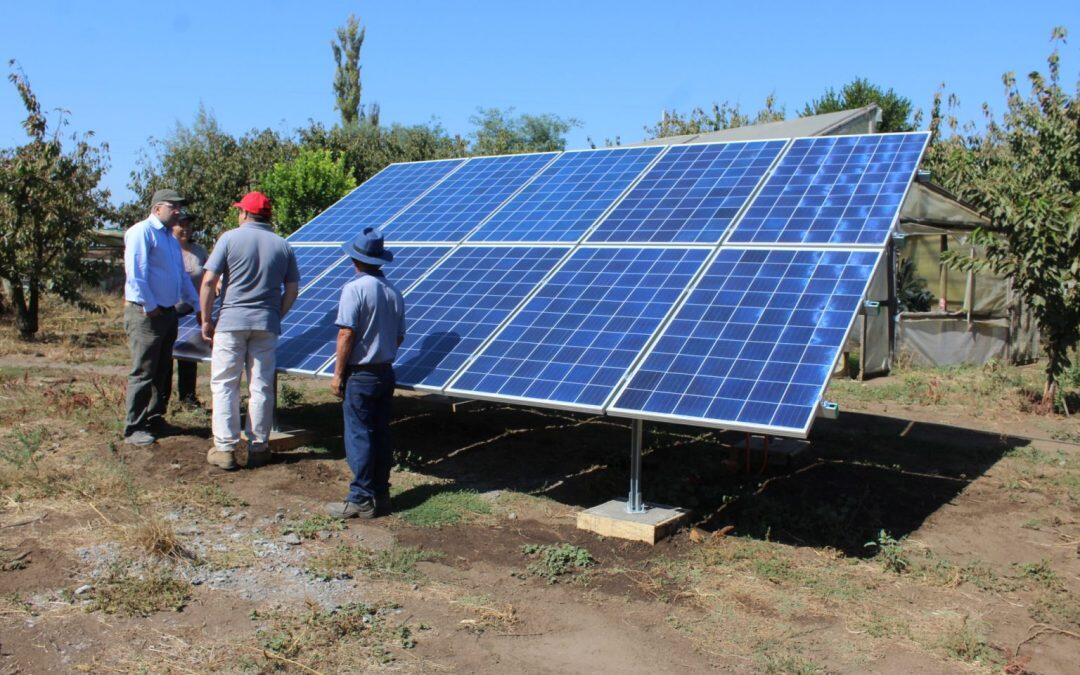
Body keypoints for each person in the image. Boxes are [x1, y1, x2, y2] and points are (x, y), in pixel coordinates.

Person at [200, 192, 300, 471]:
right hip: (266, 324)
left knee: (225, 384)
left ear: (245, 213)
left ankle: (225, 449)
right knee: (261, 386)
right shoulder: (283, 245)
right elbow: (292, 289)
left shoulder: (229, 238)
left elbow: (209, 280)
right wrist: (276, 314)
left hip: (231, 322)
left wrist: (207, 319)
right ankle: (258, 447)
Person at [326, 227, 406, 520]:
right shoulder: (394, 292)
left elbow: (346, 333)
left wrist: (338, 374)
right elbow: (399, 337)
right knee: (381, 434)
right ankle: (381, 496)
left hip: (360, 376)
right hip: (385, 373)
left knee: (359, 436)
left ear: (355, 259)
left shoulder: (354, 289)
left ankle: (360, 498)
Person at [122, 189, 200, 446]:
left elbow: (181, 278)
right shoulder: (141, 232)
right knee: (144, 370)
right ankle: (134, 427)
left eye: (180, 206)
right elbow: (136, 274)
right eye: (173, 206)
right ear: (157, 208)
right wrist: (151, 305)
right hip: (147, 314)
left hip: (167, 313)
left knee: (161, 369)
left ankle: (155, 418)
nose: (178, 211)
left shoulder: (168, 237)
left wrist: (198, 306)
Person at [172, 209, 209, 406]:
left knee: (188, 356)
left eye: (188, 225)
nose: (185, 229)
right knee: (164, 358)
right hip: (170, 310)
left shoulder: (199, 252)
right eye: (181, 225)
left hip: (191, 311)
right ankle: (160, 399)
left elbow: (210, 276)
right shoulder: (167, 249)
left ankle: (187, 398)